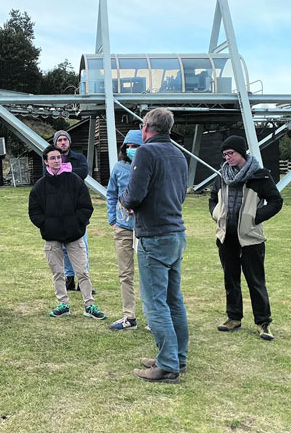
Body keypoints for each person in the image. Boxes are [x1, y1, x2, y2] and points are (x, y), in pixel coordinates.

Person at [120, 108, 188, 384]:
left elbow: (134, 195)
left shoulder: (146, 152)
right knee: (174, 300)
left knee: (155, 303)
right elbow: (180, 194)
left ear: (146, 126)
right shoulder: (179, 154)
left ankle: (168, 364)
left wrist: (124, 201)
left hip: (154, 234)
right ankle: (176, 357)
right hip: (175, 232)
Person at [209, 135, 283, 341]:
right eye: (225, 155)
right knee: (230, 279)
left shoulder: (260, 176)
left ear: (242, 152)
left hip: (251, 239)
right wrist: (216, 215)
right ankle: (233, 318)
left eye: (231, 153)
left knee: (255, 281)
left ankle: (263, 322)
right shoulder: (222, 176)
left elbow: (276, 201)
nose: (227, 158)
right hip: (226, 237)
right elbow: (213, 198)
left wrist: (255, 218)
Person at [29, 145, 106, 320]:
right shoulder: (40, 186)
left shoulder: (74, 180)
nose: (57, 161)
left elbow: (86, 205)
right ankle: (63, 304)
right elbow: (34, 211)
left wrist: (78, 224)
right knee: (58, 273)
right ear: (46, 161)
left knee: (83, 272)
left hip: (74, 235)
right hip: (52, 237)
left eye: (58, 157)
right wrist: (46, 226)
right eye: (53, 158)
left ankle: (89, 305)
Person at [106, 129, 143, 330]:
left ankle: (154, 318)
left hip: (145, 228)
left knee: (148, 274)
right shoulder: (119, 168)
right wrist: (113, 219)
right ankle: (129, 316)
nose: (130, 150)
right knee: (125, 274)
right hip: (122, 227)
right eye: (127, 146)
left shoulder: (148, 167)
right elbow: (111, 194)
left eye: (135, 146)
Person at [44, 130, 90, 291]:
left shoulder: (79, 158)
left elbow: (83, 172)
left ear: (69, 142)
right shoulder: (50, 158)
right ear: (55, 143)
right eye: (60, 140)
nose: (63, 142)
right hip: (58, 210)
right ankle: (69, 278)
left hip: (76, 208)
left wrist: (64, 170)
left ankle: (83, 281)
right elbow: (49, 178)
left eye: (65, 139)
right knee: (63, 248)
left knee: (81, 246)